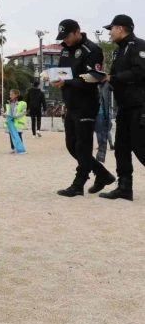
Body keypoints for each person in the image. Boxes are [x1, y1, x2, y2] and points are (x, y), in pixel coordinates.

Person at [50, 19, 115, 197]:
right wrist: (55, 77)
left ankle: (79, 184)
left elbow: (92, 78)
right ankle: (102, 174)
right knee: (72, 145)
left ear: (77, 31)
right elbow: (63, 72)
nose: (65, 40)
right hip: (70, 103)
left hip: (86, 104)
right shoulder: (65, 49)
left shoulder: (92, 50)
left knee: (83, 145)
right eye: (62, 37)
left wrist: (67, 82)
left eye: (68, 36)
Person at [91, 15, 145, 201]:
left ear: (121, 28)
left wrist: (113, 78)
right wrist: (103, 79)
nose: (109, 32)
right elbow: (115, 76)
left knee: (141, 147)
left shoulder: (139, 46)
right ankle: (124, 187)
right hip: (124, 107)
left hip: (140, 106)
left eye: (111, 28)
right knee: (121, 148)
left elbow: (140, 72)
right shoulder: (117, 51)